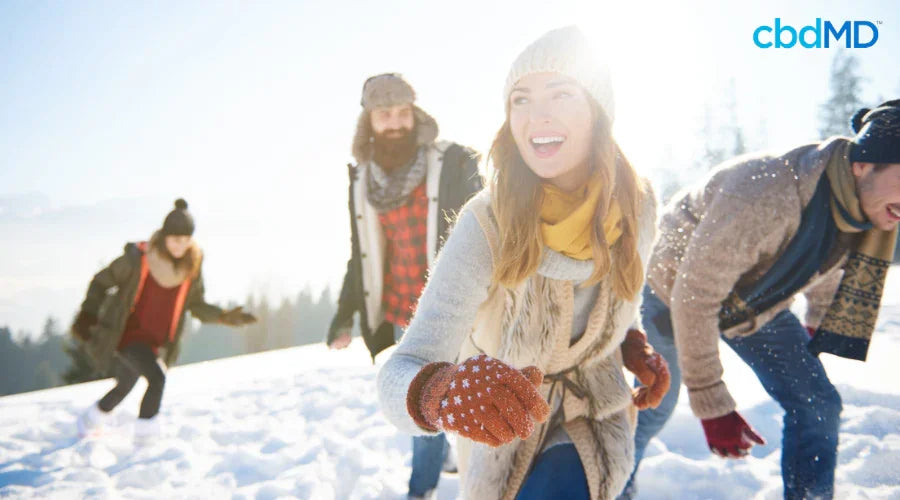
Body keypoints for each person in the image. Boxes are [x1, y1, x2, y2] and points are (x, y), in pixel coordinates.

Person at [377, 26, 670, 500]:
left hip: (595, 413)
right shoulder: (487, 223)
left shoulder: (638, 206)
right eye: (521, 99)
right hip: (502, 429)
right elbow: (401, 369)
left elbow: (622, 298)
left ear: (598, 109)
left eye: (561, 94)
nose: (538, 116)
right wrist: (440, 392)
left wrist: (629, 342)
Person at [623, 100, 900, 500]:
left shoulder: (860, 213)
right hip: (672, 291)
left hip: (755, 300)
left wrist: (817, 321)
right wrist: (712, 403)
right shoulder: (766, 194)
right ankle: (612, 486)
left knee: (818, 403)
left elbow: (824, 258)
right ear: (862, 165)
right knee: (654, 408)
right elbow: (694, 296)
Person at [325, 73, 482, 499]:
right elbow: (360, 254)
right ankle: (438, 461)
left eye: (401, 112)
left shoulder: (453, 162)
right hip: (400, 309)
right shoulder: (363, 179)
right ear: (369, 121)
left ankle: (420, 489)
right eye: (384, 115)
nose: (394, 122)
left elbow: (486, 226)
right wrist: (343, 316)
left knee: (432, 393)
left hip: (453, 304)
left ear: (414, 113)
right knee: (425, 393)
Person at [71, 199, 257, 443]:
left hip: (155, 340)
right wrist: (88, 314)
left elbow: (195, 304)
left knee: (126, 385)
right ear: (164, 236)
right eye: (175, 239)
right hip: (127, 334)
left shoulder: (191, 266)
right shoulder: (138, 259)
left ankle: (89, 421)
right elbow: (100, 282)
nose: (181, 245)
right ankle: (144, 440)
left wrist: (223, 316)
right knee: (157, 379)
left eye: (186, 240)